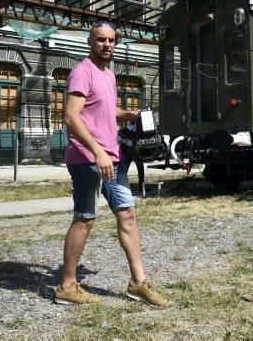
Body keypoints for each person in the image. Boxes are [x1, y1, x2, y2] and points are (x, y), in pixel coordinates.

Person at [55, 20, 167, 307]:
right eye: (101, 40)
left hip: (112, 158)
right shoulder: (82, 72)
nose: (106, 45)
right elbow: (71, 116)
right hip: (87, 159)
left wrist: (127, 114)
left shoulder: (108, 74)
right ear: (90, 42)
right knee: (85, 218)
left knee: (127, 214)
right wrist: (97, 151)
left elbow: (103, 109)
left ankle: (138, 283)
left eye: (111, 40)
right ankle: (67, 285)